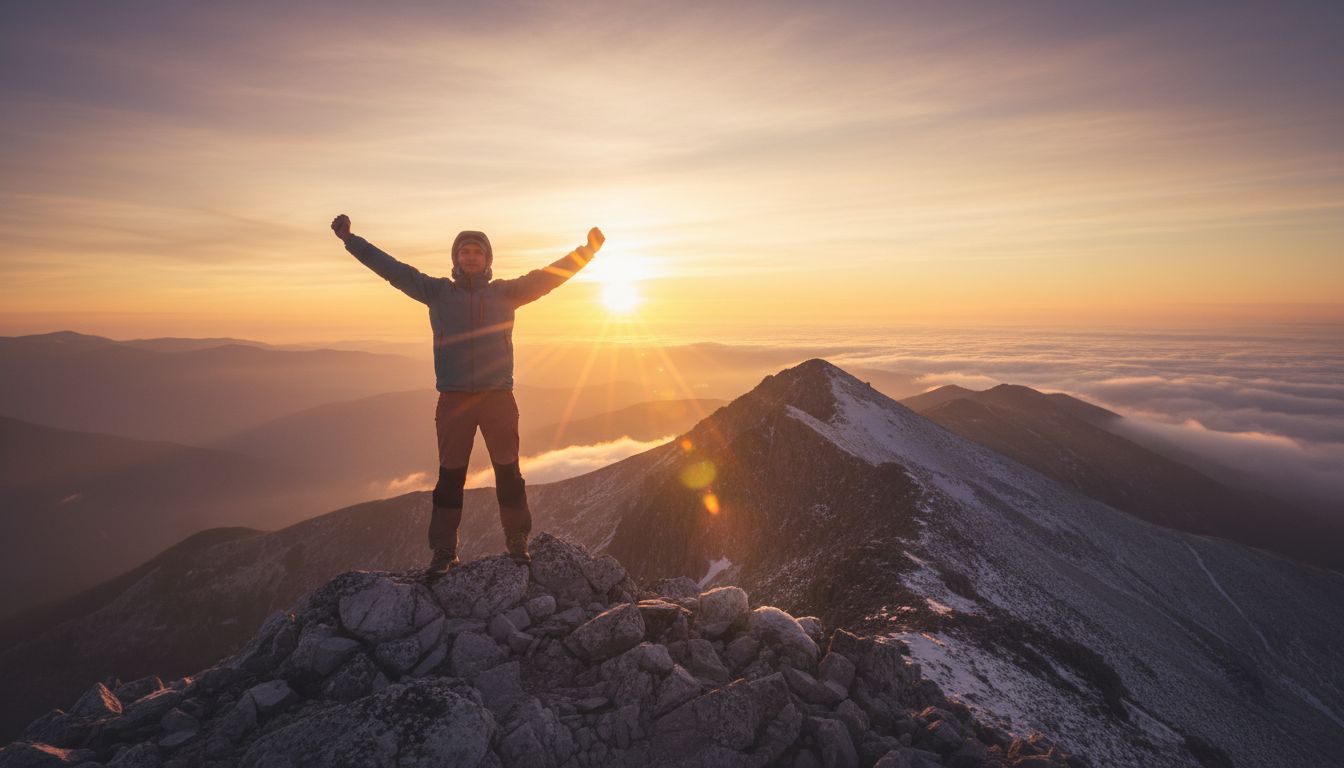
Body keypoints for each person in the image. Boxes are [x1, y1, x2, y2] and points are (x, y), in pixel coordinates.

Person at [330, 213, 604, 575]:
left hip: (497, 398)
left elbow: (550, 276)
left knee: (508, 471)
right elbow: (391, 269)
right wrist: (351, 240)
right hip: (455, 399)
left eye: (477, 252)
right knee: (450, 477)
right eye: (465, 252)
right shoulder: (437, 292)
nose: (471, 257)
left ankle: (517, 541)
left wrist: (587, 251)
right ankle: (444, 552)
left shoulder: (507, 293)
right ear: (456, 259)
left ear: (488, 259)